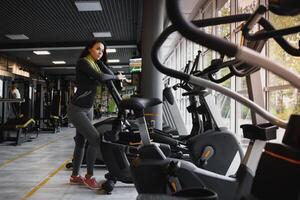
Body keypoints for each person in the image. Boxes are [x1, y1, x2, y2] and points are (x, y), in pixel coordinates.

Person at [67, 39, 115, 190]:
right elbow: (103, 77)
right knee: (95, 139)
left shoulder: (96, 63)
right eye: (98, 49)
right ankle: (89, 176)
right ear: (89, 49)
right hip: (77, 109)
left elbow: (110, 73)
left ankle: (75, 176)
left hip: (88, 109)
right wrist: (113, 76)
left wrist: (101, 63)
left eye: (102, 50)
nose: (100, 52)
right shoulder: (83, 62)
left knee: (81, 142)